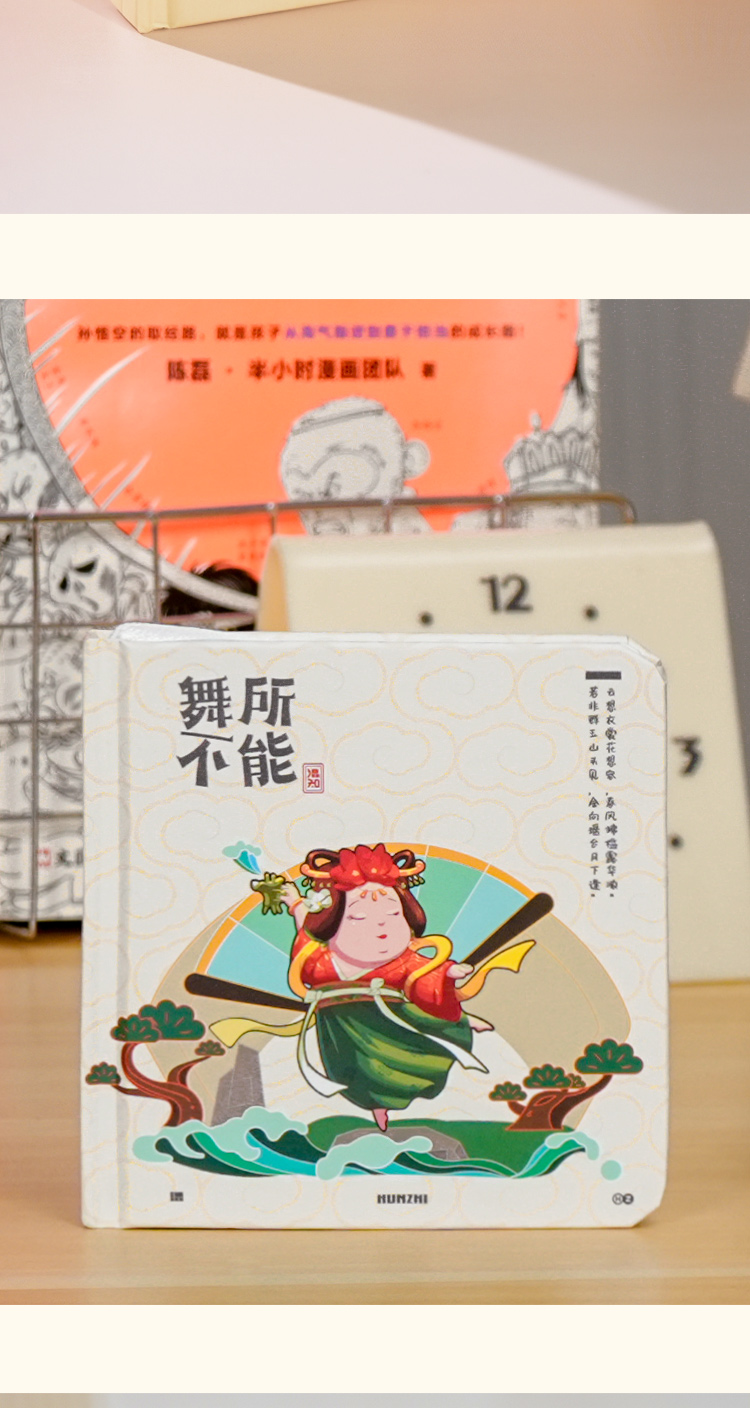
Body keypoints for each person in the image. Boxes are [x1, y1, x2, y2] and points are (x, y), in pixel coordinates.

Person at [280, 843, 493, 1130]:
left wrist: (449, 972)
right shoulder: (322, 960)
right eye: (358, 917)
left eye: (393, 914)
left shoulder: (402, 961)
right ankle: (377, 1106)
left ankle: (463, 1022)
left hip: (395, 1020)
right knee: (359, 1071)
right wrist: (294, 903)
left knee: (420, 1047)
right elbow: (305, 932)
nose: (381, 926)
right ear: (330, 925)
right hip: (344, 1028)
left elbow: (424, 973)